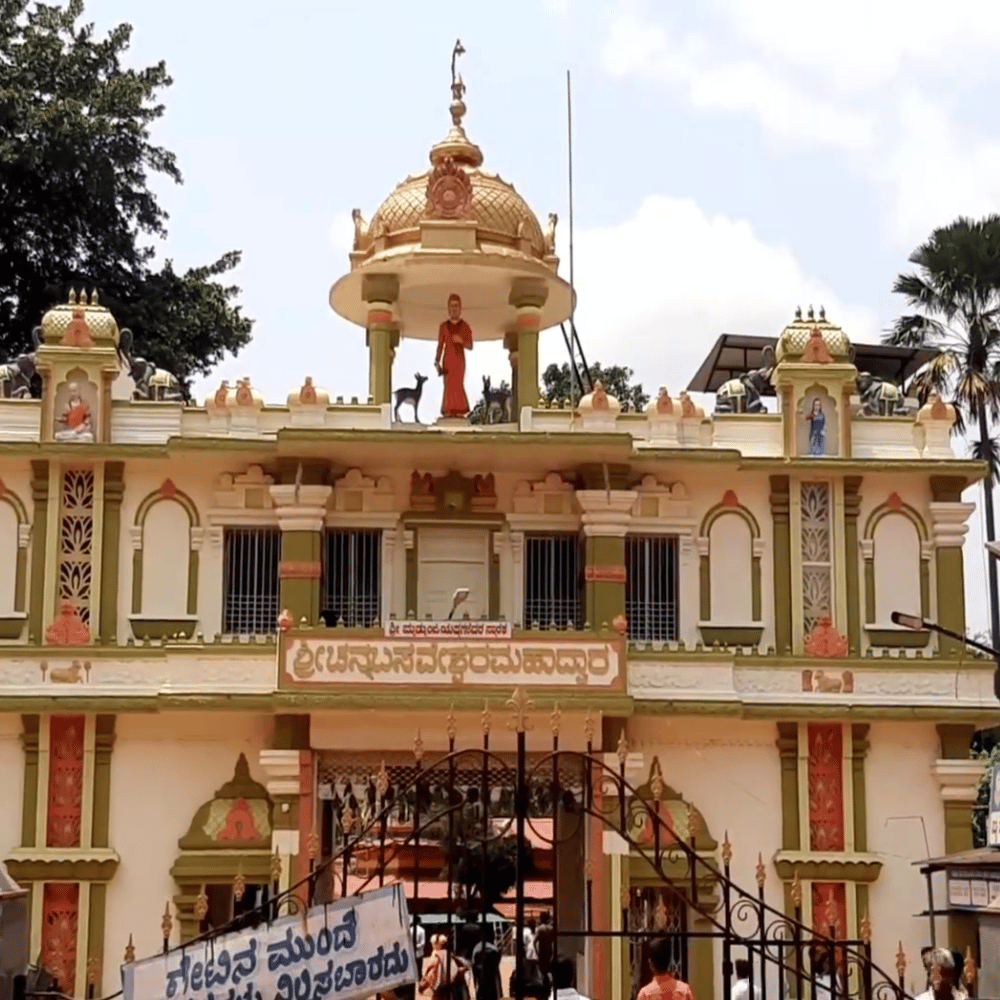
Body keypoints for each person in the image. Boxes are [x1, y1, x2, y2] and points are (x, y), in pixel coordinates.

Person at [435, 293, 473, 418]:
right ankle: (449, 410)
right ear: (448, 308)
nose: (454, 309)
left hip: (459, 361)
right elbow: (440, 345)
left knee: (457, 384)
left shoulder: (465, 326)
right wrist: (437, 361)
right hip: (448, 360)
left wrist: (461, 340)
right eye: (451, 306)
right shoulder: (444, 326)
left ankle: (460, 410)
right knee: (449, 386)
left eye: (456, 306)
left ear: (460, 308)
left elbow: (470, 345)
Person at [419, 933, 469, 1000]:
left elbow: (430, 973)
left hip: (439, 990)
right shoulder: (450, 955)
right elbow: (462, 966)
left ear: (437, 944)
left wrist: (423, 986)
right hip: (450, 988)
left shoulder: (436, 955)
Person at [470, 926, 502, 1000]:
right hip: (492, 985)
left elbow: (474, 967)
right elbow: (496, 967)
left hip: (481, 984)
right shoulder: (494, 949)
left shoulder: (476, 948)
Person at [535, 912, 555, 990]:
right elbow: (554, 942)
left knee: (542, 972)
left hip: (542, 953)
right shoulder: (551, 929)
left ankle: (544, 989)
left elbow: (534, 942)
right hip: (549, 952)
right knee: (549, 971)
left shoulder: (540, 928)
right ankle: (549, 988)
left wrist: (537, 952)